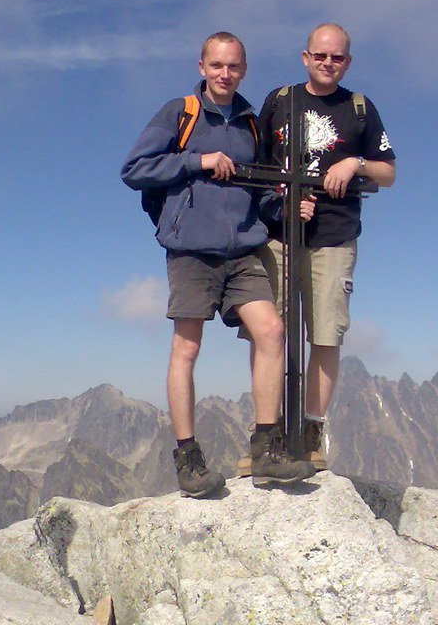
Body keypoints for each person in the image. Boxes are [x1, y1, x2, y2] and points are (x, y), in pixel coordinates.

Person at [121, 32, 315, 498]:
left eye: (233, 67)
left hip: (243, 249)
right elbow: (135, 169)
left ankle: (266, 447)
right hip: (191, 250)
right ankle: (188, 458)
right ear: (202, 66)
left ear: (243, 69)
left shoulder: (250, 122)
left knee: (270, 331)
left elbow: (257, 191)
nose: (225, 74)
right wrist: (197, 160)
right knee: (186, 348)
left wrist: (285, 209)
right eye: (216, 66)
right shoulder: (180, 112)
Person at [245, 23, 396, 472]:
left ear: (347, 61)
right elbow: (257, 165)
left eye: (338, 57)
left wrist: (355, 162)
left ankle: (311, 433)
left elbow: (387, 173)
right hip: (277, 235)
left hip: (334, 235)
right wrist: (281, 202)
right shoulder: (279, 101)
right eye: (320, 55)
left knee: (326, 333)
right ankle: (266, 437)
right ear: (305, 56)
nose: (328, 63)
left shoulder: (360, 108)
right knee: (269, 333)